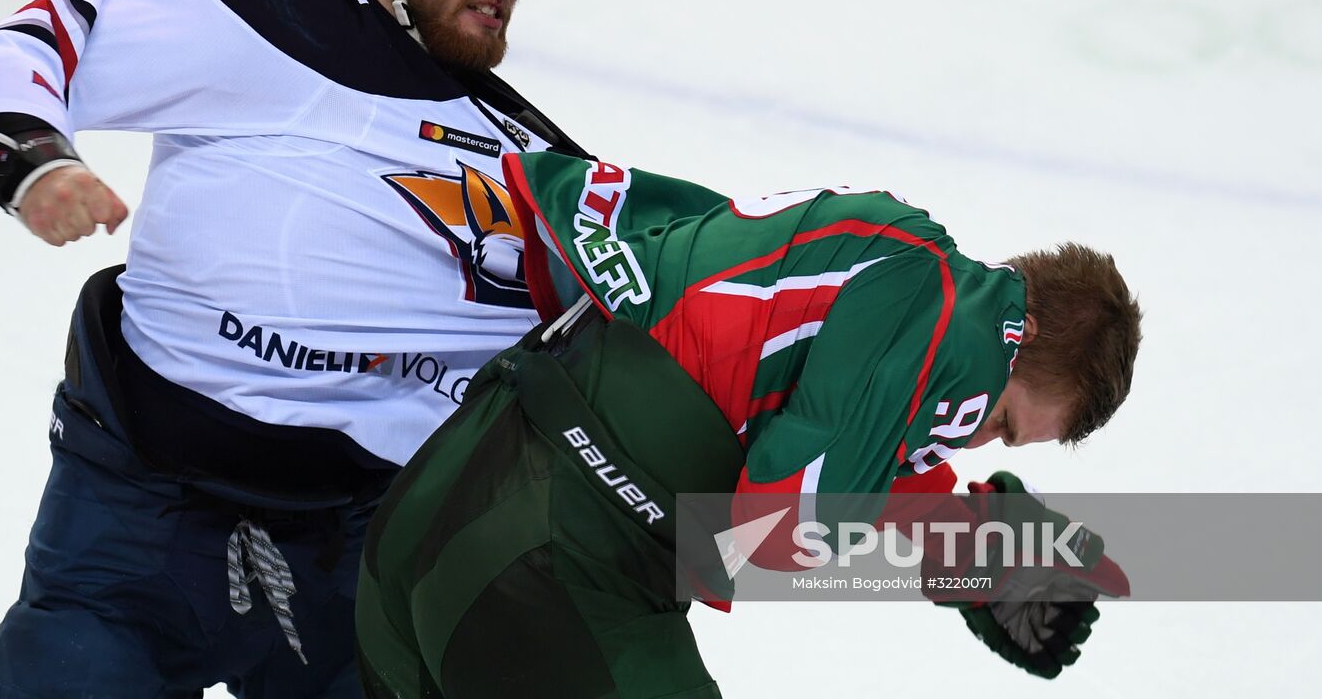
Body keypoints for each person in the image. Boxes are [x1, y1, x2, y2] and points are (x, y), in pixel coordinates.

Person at [0, 0, 583, 698]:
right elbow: (38, 40)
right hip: (135, 528)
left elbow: (643, 353)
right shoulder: (255, 8)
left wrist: (818, 543)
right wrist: (29, 155)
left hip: (356, 558)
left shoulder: (531, 162)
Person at [355, 151, 1144, 698]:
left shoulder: (866, 258)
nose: (976, 438)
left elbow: (823, 430)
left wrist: (962, 538)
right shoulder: (962, 318)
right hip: (555, 564)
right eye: (1002, 421)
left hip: (439, 508)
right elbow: (776, 529)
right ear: (1023, 329)